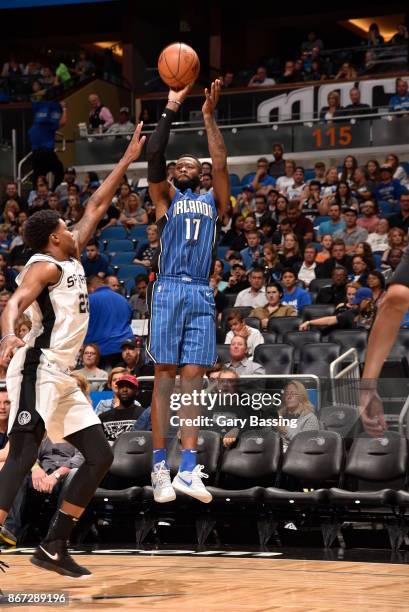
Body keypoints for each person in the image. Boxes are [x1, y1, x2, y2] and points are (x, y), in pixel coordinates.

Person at [0, 122, 145, 577]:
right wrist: (7, 333)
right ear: (53, 238)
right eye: (65, 225)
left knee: (100, 455)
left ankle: (53, 544)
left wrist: (126, 159)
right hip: (36, 367)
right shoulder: (43, 266)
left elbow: (98, 202)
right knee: (24, 451)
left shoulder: (71, 253)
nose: (72, 225)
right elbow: (16, 302)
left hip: (62, 376)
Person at [146, 79, 230, 504]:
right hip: (169, 288)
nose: (184, 165)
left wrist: (208, 116)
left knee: (193, 380)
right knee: (165, 377)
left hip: (200, 291)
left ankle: (187, 468)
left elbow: (220, 163)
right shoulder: (166, 198)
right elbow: (155, 154)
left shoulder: (215, 201)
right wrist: (171, 107)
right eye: (180, 163)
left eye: (190, 162)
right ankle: (159, 466)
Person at [85, 275, 133, 369]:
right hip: (123, 347)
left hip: (101, 349)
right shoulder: (123, 299)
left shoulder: (89, 300)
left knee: (103, 382)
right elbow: (129, 320)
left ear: (90, 287)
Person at [300, 287, 375, 332]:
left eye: (358, 302)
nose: (356, 304)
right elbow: (329, 320)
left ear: (368, 300)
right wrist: (309, 322)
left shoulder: (378, 312)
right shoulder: (352, 312)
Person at [29, 100, 67, 191]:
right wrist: (64, 109)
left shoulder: (33, 127)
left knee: (37, 175)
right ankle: (53, 190)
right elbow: (63, 122)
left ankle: (35, 192)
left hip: (36, 154)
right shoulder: (49, 126)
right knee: (59, 171)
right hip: (47, 153)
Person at [100, 375, 145, 443]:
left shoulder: (144, 415)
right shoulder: (104, 417)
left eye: (129, 387)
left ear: (137, 392)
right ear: (117, 390)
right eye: (121, 387)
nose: (124, 390)